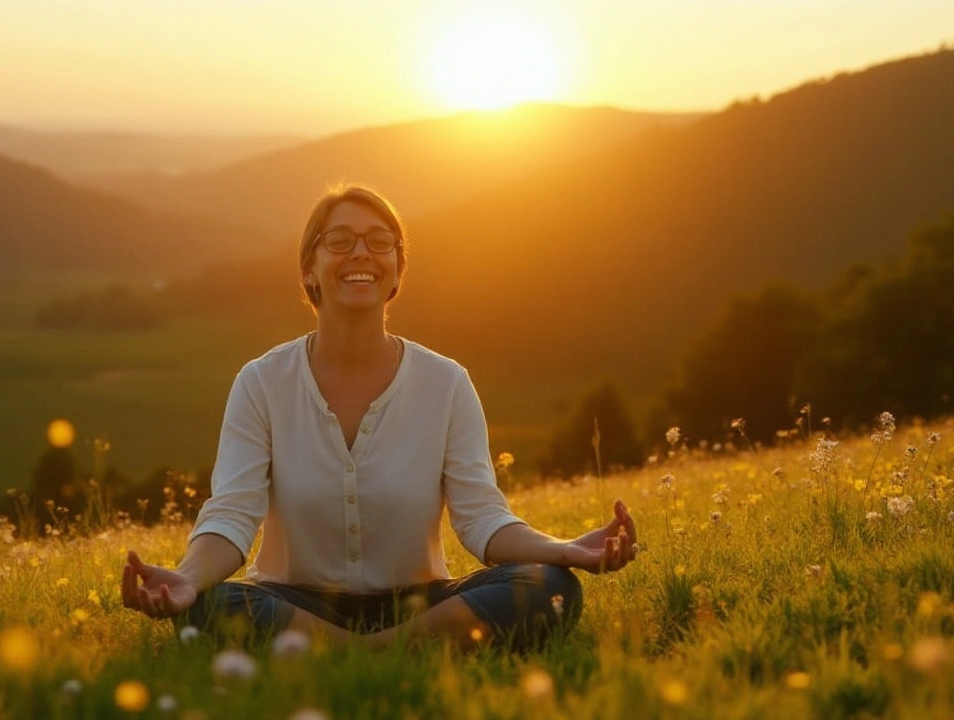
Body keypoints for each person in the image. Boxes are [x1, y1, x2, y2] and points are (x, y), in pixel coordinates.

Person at [121, 185, 638, 650]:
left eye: (379, 240)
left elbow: (482, 518)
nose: (362, 252)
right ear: (309, 268)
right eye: (340, 240)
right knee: (208, 606)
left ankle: (348, 654)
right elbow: (232, 515)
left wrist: (563, 550)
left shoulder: (447, 383)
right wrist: (188, 579)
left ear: (396, 269)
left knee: (548, 587)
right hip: (293, 601)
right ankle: (403, 652)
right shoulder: (261, 382)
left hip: (423, 602)